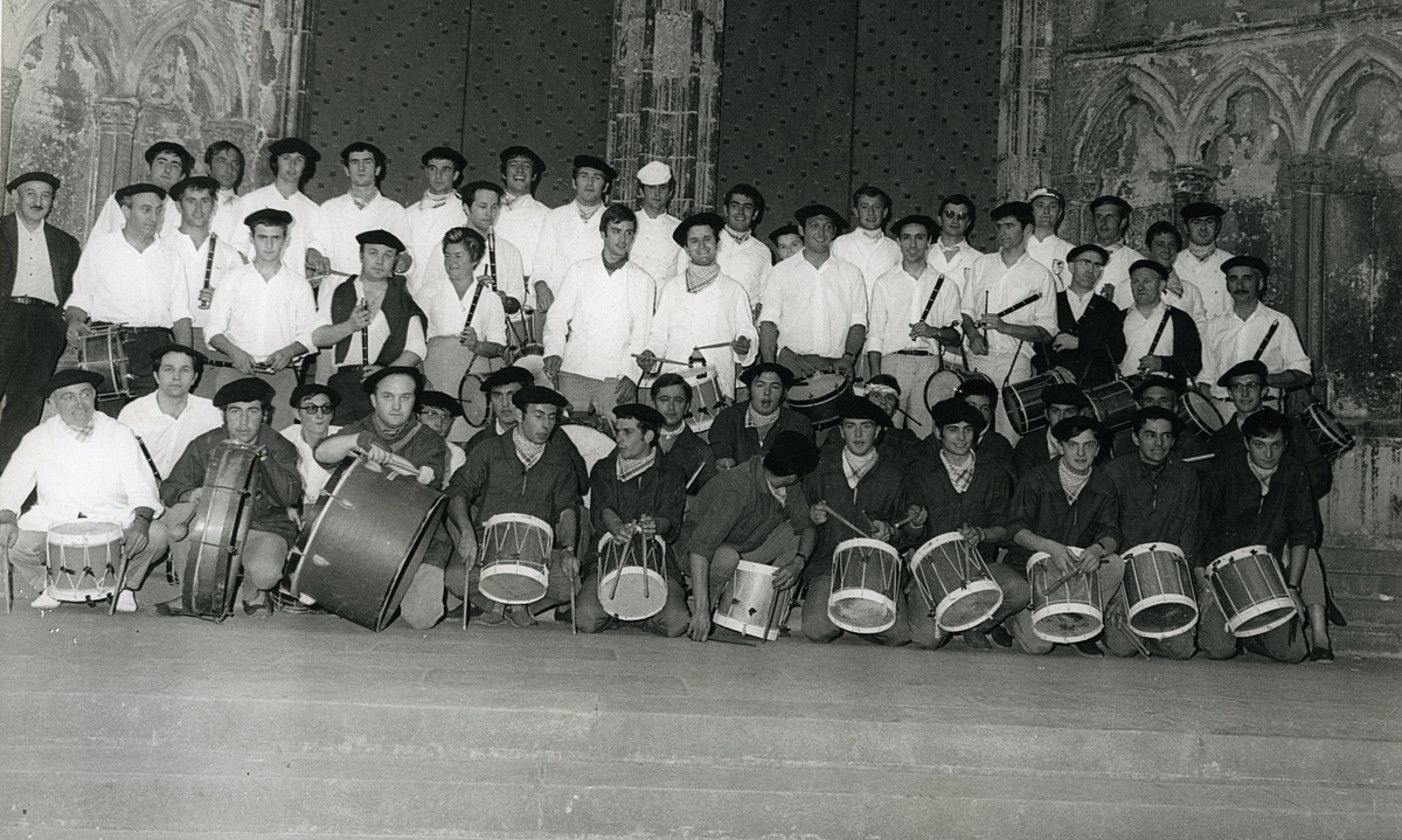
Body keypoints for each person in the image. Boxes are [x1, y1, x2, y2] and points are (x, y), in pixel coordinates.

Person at [0, 370, 168, 612]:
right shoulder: (38, 438)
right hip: (56, 522)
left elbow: (141, 484)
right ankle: (50, 585)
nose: (79, 404)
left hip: (114, 520)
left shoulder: (118, 432)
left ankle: (125, 587)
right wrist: (6, 519)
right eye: (68, 397)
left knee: (157, 534)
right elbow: (11, 484)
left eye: (85, 394)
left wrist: (141, 523)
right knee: (13, 543)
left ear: (95, 396)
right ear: (52, 403)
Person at [313, 367, 453, 631]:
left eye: (405, 397)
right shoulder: (358, 428)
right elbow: (322, 453)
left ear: (415, 400)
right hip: (365, 535)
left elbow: (423, 487)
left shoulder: (430, 441)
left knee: (423, 618)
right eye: (388, 397)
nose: (397, 406)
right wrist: (356, 440)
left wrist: (388, 462)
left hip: (418, 539)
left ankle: (407, 588)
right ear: (374, 400)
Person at [159, 377, 301, 615]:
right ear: (224, 415)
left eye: (252, 411)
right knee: (179, 510)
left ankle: (254, 592)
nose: (244, 422)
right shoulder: (205, 444)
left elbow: (289, 497)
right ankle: (190, 592)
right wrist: (191, 493)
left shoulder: (280, 447)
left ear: (265, 415)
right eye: (235, 412)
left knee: (267, 574)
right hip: (216, 526)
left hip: (264, 526)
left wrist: (263, 458)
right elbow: (170, 487)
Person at [1200, 408, 1331, 662]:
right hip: (1225, 573)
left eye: (1276, 445)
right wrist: (1204, 586)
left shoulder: (1295, 472)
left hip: (1270, 573)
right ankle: (1236, 633)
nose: (1268, 454)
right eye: (1259, 445)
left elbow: (1301, 533)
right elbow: (1200, 531)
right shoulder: (1223, 473)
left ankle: (1253, 638)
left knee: (1294, 653)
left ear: (1286, 444)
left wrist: (1293, 588)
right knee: (1219, 650)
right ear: (1246, 443)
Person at [448, 385, 582, 628]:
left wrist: (569, 549)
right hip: (489, 546)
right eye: (539, 416)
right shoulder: (489, 449)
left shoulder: (560, 460)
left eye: (552, 418)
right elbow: (458, 490)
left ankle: (522, 605)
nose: (546, 425)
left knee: (568, 585)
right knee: (457, 579)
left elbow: (567, 509)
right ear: (520, 415)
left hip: (537, 552)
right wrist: (467, 533)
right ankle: (498, 604)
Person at [903, 398, 1027, 649]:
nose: (961, 437)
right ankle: (950, 618)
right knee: (927, 640)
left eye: (967, 430)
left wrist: (982, 534)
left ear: (977, 435)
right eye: (952, 430)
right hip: (933, 571)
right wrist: (915, 524)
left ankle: (976, 625)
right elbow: (910, 536)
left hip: (980, 567)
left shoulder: (994, 473)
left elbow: (1006, 528)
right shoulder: (919, 472)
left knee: (1019, 590)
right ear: (938, 433)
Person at [681, 430, 820, 642]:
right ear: (793, 476)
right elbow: (700, 549)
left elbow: (807, 527)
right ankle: (708, 612)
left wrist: (798, 563)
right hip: (696, 555)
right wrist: (700, 611)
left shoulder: (786, 484)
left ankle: (762, 616)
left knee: (796, 537)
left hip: (742, 547)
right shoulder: (737, 488)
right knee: (727, 557)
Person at [1005, 416, 1124, 656]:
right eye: (1072, 445)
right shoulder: (1036, 479)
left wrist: (1098, 549)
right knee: (1040, 646)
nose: (1081, 453)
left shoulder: (1104, 483)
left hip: (1074, 571)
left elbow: (1112, 532)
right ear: (1060, 447)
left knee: (1115, 564)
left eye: (1088, 445)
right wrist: (1051, 547)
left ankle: (1081, 618)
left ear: (1098, 449)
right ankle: (1011, 619)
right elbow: (1015, 530)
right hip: (1030, 571)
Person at [67, 183, 194, 405]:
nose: (153, 217)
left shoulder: (171, 257)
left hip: (156, 345)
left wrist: (186, 359)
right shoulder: (100, 249)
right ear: (126, 211)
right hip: (106, 345)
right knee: (109, 419)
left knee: (152, 419)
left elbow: (180, 314)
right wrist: (74, 322)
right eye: (146, 209)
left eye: (158, 210)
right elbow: (80, 299)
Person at [1099, 406, 1210, 660]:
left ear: (1173, 439)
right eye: (1150, 435)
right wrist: (1116, 592)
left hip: (1169, 579)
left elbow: (1190, 537)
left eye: (1166, 436)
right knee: (1122, 647)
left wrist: (1189, 589)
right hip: (1126, 579)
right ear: (1136, 438)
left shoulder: (1186, 476)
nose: (1158, 443)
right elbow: (1103, 533)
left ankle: (1152, 635)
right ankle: (1136, 629)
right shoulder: (1115, 473)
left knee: (1183, 650)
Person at [801, 395, 912, 645]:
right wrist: (811, 516)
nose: (858, 434)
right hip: (828, 566)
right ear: (841, 431)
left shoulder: (894, 472)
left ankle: (855, 620)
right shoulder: (819, 466)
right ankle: (854, 619)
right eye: (851, 426)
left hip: (876, 570)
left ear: (879, 431)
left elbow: (906, 531)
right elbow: (797, 516)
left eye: (866, 426)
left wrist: (891, 532)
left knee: (900, 634)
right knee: (817, 628)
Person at [573, 403, 690, 636]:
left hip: (656, 560)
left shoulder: (671, 473)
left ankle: (629, 616)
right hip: (607, 557)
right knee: (585, 619)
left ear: (648, 435)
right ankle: (629, 613)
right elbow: (602, 508)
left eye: (627, 432)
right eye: (618, 431)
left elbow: (671, 520)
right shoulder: (604, 468)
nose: (619, 439)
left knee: (677, 623)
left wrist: (655, 525)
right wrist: (616, 527)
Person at [204, 208, 321, 422]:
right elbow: (213, 331)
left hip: (281, 375)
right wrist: (235, 353)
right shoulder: (232, 279)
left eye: (276, 238)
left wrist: (288, 352)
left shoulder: (299, 285)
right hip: (236, 371)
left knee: (278, 440)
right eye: (262, 238)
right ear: (251, 239)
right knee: (232, 439)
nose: (268, 245)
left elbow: (308, 336)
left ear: (286, 240)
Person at [542, 204, 655, 418]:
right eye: (616, 231)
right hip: (574, 370)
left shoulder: (643, 280)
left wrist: (632, 375)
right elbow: (556, 318)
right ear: (602, 234)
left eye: (628, 233)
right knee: (570, 437)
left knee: (616, 440)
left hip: (616, 378)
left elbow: (642, 334)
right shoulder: (578, 271)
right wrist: (554, 351)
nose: (622, 240)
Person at [0, 172, 80, 469]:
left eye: (45, 195)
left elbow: (73, 290)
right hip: (5, 316)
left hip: (45, 324)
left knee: (26, 407)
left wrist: (67, 321)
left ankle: (5, 484)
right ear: (16, 197)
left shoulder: (65, 243)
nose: (38, 201)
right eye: (31, 194)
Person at [960, 201, 1057, 441]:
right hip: (979, 358)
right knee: (972, 427)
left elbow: (1046, 332)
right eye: (999, 227)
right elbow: (964, 311)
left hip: (1015, 363)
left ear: (1027, 231)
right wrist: (972, 335)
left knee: (1010, 433)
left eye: (1010, 226)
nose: (1002, 232)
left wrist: (1004, 327)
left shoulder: (1040, 274)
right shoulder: (981, 264)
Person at [638, 212, 757, 400]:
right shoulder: (672, 288)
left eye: (707, 239)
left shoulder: (734, 290)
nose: (702, 246)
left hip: (718, 384)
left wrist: (744, 345)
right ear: (686, 248)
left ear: (717, 243)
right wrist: (651, 354)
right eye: (694, 241)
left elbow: (747, 333)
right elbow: (659, 335)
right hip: (674, 384)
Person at [313, 229, 428, 422]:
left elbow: (417, 347)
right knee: (341, 443)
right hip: (343, 384)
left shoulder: (402, 297)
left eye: (387, 255)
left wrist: (387, 371)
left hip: (385, 385)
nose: (380, 260)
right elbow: (317, 337)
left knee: (380, 445)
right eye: (373, 253)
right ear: (361, 255)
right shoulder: (339, 292)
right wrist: (349, 326)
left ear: (395, 261)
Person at [865, 213, 962, 436]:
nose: (912, 244)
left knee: (924, 434)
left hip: (930, 366)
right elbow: (875, 335)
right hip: (893, 365)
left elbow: (956, 337)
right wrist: (878, 379)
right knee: (886, 434)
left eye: (919, 238)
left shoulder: (946, 284)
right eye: (907, 238)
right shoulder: (884, 282)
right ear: (898, 242)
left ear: (929, 242)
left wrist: (934, 332)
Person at [759, 203, 867, 378]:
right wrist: (770, 369)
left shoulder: (851, 273)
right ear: (802, 230)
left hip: (835, 366)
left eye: (827, 227)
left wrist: (848, 358)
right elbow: (768, 323)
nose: (821, 233)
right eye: (814, 226)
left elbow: (858, 322)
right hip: (791, 363)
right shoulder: (781, 271)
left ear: (834, 232)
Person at [1197, 256, 1311, 416]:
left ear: (1261, 283)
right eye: (1233, 279)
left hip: (1265, 409)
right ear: (1227, 285)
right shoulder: (1213, 326)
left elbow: (1303, 374)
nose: (1240, 285)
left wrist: (1264, 380)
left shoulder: (1280, 322)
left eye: (1247, 278)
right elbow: (1206, 379)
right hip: (1223, 411)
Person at [419, 227, 508, 418]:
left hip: (472, 380)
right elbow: (415, 342)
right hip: (436, 375)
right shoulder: (428, 293)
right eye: (447, 255)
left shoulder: (490, 298)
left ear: (474, 259)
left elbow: (499, 348)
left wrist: (477, 345)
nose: (451, 262)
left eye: (458, 256)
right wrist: (421, 378)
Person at [1207, 360, 1329, 497]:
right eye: (1237, 386)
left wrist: (1289, 495)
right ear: (1229, 393)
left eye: (1252, 385)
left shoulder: (1289, 426)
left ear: (1264, 390)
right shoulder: (1220, 440)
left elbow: (1319, 472)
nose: (1244, 393)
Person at [161, 176, 246, 360]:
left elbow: (245, 306)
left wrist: (222, 298)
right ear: (178, 206)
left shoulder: (230, 254)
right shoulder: (161, 248)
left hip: (214, 341)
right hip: (168, 336)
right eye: (191, 201)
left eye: (205, 201)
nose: (199, 209)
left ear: (214, 206)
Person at [116, 344, 222, 477]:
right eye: (168, 369)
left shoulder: (212, 412)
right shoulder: (133, 413)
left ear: (194, 378)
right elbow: (123, 468)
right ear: (156, 376)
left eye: (184, 370)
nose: (176, 376)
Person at [231, 137, 329, 278]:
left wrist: (315, 253)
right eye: (286, 158)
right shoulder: (251, 200)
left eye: (299, 160)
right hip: (255, 285)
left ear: (305, 166)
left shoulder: (313, 210)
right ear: (276, 162)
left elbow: (316, 247)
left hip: (293, 289)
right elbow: (238, 249)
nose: (292, 165)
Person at [1032, 243, 1124, 387]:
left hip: (1095, 391)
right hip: (1054, 387)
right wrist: (1054, 369)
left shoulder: (1109, 309)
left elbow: (1117, 352)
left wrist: (1079, 343)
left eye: (1097, 265)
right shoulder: (1051, 302)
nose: (1090, 270)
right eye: (1085, 263)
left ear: (1101, 273)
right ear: (1071, 267)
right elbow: (1035, 347)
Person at [533, 154, 615, 312]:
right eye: (584, 176)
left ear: (605, 186)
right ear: (573, 182)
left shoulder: (614, 221)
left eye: (597, 178)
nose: (590, 183)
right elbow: (541, 262)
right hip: (558, 305)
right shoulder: (554, 217)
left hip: (598, 308)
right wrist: (540, 285)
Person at [319, 142, 411, 277]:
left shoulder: (394, 210)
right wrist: (315, 253)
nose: (361, 168)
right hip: (336, 287)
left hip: (378, 288)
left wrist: (404, 261)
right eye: (355, 162)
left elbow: (406, 252)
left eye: (367, 162)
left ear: (377, 169)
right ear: (346, 170)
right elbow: (318, 245)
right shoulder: (329, 208)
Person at [707, 363, 814, 468]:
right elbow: (721, 460)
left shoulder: (799, 424)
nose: (767, 392)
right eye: (760, 385)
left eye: (775, 387)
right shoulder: (727, 419)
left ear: (784, 392)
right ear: (749, 390)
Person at [88, 141, 191, 243]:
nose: (167, 169)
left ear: (182, 176)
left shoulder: (183, 213)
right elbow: (98, 242)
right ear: (148, 169)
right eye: (161, 162)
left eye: (175, 165)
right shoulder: (121, 199)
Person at [1115, 259, 1202, 380]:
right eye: (1135, 281)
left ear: (1161, 285)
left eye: (1147, 281)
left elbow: (1194, 364)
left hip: (1167, 392)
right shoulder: (1117, 319)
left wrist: (1162, 363)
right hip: (1125, 393)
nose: (1140, 287)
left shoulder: (1180, 319)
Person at [1108, 373, 1212, 466]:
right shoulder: (1123, 443)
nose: (1156, 405)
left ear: (1175, 408)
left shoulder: (1190, 443)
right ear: (1139, 407)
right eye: (1149, 401)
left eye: (1164, 401)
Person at [405, 146, 468, 292]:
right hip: (414, 293)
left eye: (445, 170)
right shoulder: (409, 213)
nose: (438, 175)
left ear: (456, 175)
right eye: (433, 169)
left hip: (451, 293)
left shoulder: (465, 211)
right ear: (427, 172)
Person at [650, 372, 718, 495]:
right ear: (653, 404)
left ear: (687, 407)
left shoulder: (701, 450)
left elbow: (712, 499)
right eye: (664, 400)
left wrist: (691, 503)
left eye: (678, 400)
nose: (671, 407)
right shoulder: (637, 439)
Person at [830, 185, 901, 296]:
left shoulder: (896, 249)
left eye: (876, 207)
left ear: (885, 212)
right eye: (864, 207)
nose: (871, 213)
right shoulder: (839, 245)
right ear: (856, 212)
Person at [495, 145, 551, 282]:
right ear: (503, 173)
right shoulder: (487, 208)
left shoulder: (547, 216)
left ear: (534, 176)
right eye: (513, 165)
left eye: (526, 166)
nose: (519, 170)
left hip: (527, 291)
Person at [1011, 382, 1090, 478]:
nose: (1061, 418)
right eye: (1055, 411)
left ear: (1081, 414)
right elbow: (1025, 488)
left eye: (1069, 412)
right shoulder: (1028, 446)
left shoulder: (1091, 443)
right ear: (1046, 414)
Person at [1172, 201, 1234, 323]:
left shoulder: (1232, 263)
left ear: (1217, 227)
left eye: (1209, 222)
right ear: (1186, 228)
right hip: (1186, 338)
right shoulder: (1173, 264)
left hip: (1223, 336)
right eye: (1196, 222)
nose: (1203, 228)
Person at [278, 383, 341, 504]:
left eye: (326, 408)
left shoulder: (345, 438)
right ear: (297, 413)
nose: (320, 415)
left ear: (332, 413)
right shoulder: (283, 440)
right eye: (311, 408)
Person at [1144, 221, 1207, 334]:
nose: (1167, 250)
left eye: (1172, 245)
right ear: (1148, 248)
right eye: (1160, 244)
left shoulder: (1191, 291)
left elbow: (1200, 333)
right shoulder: (1128, 287)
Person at [715, 184, 773, 308]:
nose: (740, 212)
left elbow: (766, 294)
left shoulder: (762, 251)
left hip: (745, 322)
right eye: (735, 206)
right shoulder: (709, 242)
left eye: (747, 207)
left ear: (755, 214)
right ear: (726, 210)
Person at [629, 161, 686, 284]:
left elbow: (682, 275)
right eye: (651, 187)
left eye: (663, 188)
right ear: (641, 191)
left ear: (670, 192)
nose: (657, 193)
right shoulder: (628, 223)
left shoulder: (679, 228)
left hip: (665, 299)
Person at [1086, 194, 1146, 308]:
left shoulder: (1137, 262)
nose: (1103, 222)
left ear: (1123, 222)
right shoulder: (1079, 256)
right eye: (1099, 216)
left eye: (1110, 217)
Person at [851, 374, 921, 462]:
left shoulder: (907, 440)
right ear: (865, 402)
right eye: (876, 396)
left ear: (895, 409)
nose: (883, 402)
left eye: (889, 398)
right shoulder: (847, 434)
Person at [947, 377, 1015, 469]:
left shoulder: (999, 446)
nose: (978, 413)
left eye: (984, 408)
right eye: (972, 406)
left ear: (991, 413)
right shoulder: (941, 440)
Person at [926, 194, 982, 298]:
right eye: (949, 214)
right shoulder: (923, 254)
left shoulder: (979, 260)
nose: (955, 220)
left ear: (968, 223)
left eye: (962, 216)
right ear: (939, 219)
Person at [415, 389, 467, 488]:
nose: (439, 423)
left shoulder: (455, 454)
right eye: (432, 414)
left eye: (446, 416)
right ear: (417, 417)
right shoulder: (403, 444)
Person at [1025, 186, 1073, 285]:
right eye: (1040, 206)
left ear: (1059, 213)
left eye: (1053, 206)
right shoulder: (1017, 247)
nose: (1046, 211)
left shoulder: (1069, 251)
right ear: (1031, 211)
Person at [204, 140, 246, 243]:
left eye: (235, 163)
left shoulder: (245, 206)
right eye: (222, 162)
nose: (229, 169)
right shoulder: (195, 201)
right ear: (208, 168)